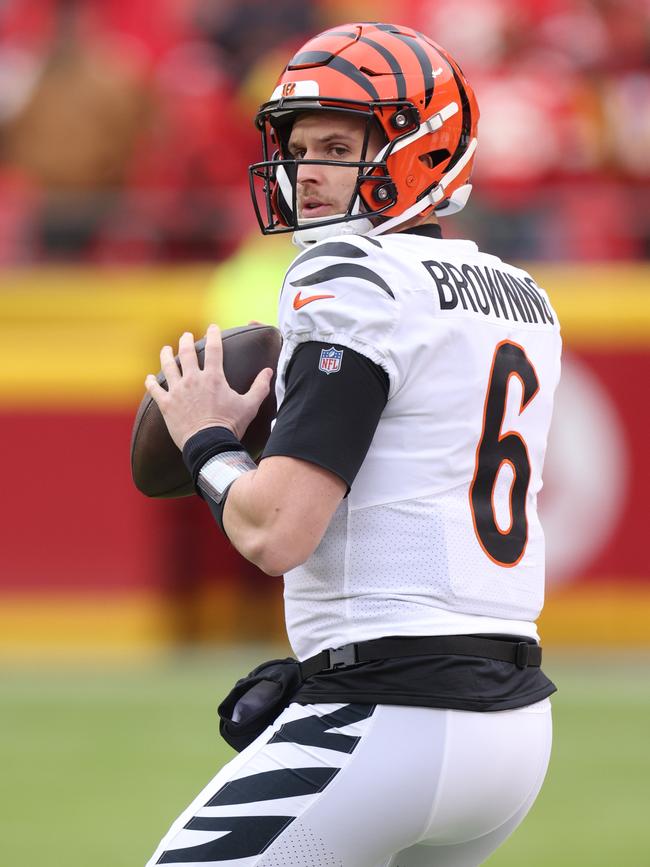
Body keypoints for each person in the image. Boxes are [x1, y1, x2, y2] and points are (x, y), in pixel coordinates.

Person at [144, 22, 561, 867]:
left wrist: (208, 439)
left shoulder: (354, 281)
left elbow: (275, 530)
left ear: (423, 149)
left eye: (339, 145)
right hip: (512, 729)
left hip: (392, 709)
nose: (309, 173)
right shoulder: (522, 296)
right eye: (299, 149)